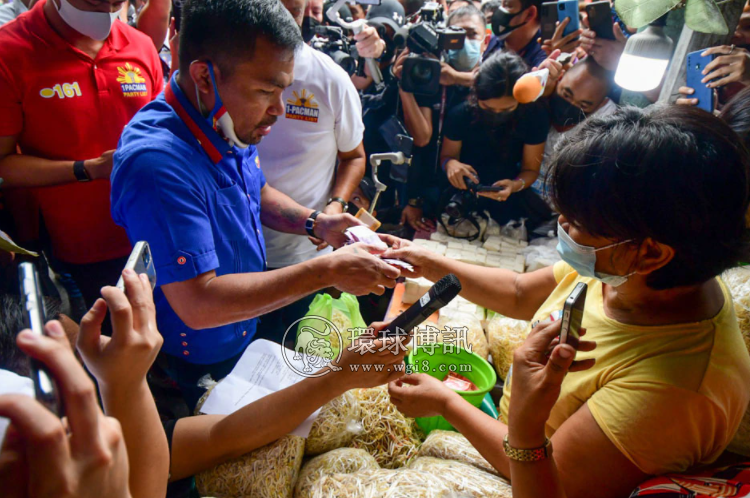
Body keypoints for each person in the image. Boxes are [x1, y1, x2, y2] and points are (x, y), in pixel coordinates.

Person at [384, 105, 750, 497]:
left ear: (652, 254)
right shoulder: (625, 271)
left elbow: (549, 486)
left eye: (577, 222)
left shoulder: (675, 394)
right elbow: (519, 292)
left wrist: (448, 402)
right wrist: (428, 263)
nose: (563, 227)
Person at [111, 0, 401, 409]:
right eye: (265, 91)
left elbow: (255, 192)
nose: (278, 111)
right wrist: (326, 271)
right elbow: (199, 302)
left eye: (282, 90)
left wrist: (318, 224)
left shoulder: (221, 123)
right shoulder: (159, 164)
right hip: (193, 361)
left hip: (242, 329)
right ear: (203, 76)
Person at [0, 0, 163, 314]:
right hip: (83, 246)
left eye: (116, 3)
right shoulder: (11, 51)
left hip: (152, 228)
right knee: (107, 329)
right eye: (94, 2)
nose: (107, 10)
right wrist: (88, 169)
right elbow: (3, 165)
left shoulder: (140, 46)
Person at [255, 0, 367, 343]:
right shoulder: (231, 73)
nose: (275, 110)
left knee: (283, 352)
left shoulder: (329, 78)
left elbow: (354, 156)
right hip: (236, 249)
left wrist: (334, 206)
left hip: (298, 255)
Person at [395, 4, 491, 231]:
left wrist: (458, 78)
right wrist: (405, 84)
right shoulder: (429, 73)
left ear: (485, 40)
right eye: (457, 35)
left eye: (471, 34)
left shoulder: (494, 75)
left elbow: (510, 88)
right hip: (431, 187)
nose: (465, 41)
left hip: (481, 191)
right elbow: (421, 139)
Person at [441, 51, 552, 229]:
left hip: (509, 198)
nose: (497, 115)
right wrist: (450, 165)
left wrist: (515, 185)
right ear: (477, 95)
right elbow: (447, 156)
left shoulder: (534, 117)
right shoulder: (461, 114)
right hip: (461, 195)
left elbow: (530, 170)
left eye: (507, 109)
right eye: (488, 108)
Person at [532, 56, 616, 202]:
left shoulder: (604, 124)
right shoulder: (542, 95)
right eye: (566, 94)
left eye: (584, 105)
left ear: (601, 104)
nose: (569, 107)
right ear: (559, 78)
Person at [483, 0, 546, 69]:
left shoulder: (543, 59)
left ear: (529, 14)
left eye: (507, 6)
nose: (499, 11)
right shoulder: (491, 42)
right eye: (501, 4)